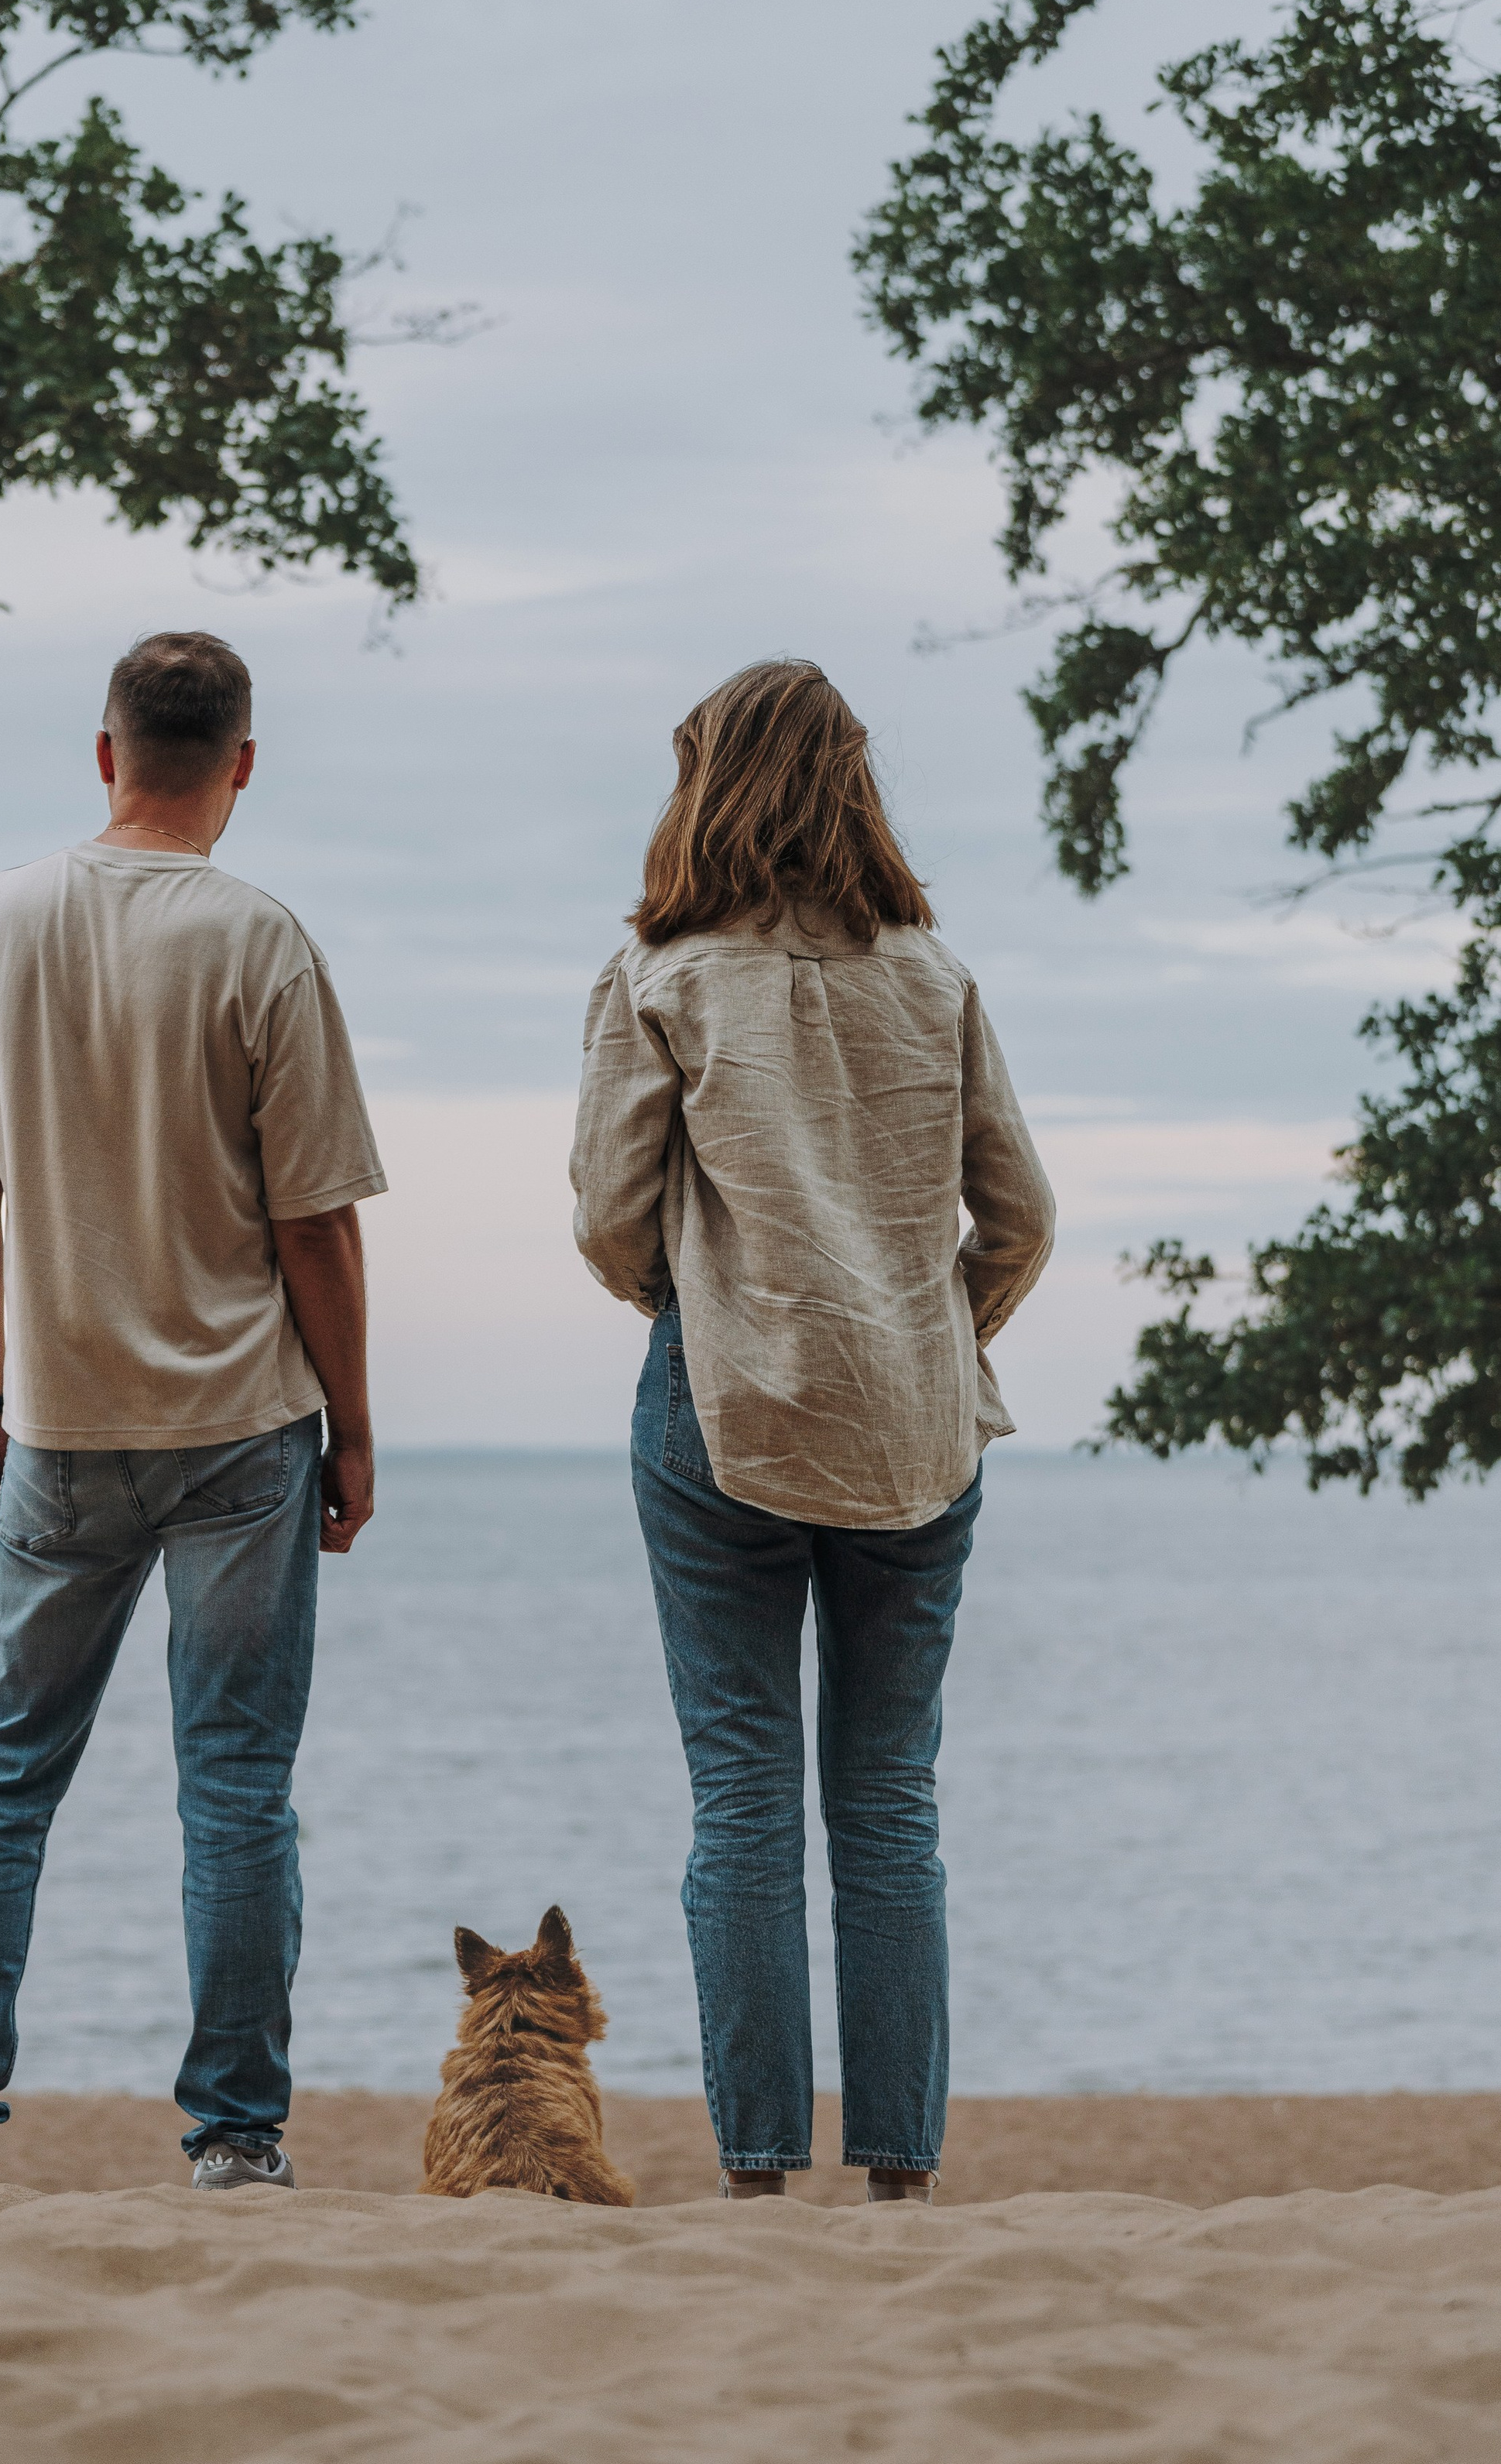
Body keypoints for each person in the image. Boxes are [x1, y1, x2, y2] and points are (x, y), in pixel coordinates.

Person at [0, 630, 386, 2195]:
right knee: (234, 1784)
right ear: (239, 761)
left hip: (57, 1416)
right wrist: (354, 1425)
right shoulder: (262, 941)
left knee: (2, 1774)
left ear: (104, 752)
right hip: (244, 1422)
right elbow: (315, 1224)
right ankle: (235, 2137)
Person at [571, 658, 1054, 2205]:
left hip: (721, 1411)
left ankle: (758, 2171)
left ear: (697, 783)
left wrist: (706, 1307)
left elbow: (605, 1218)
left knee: (742, 1795)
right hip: (912, 1421)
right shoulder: (934, 974)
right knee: (888, 1798)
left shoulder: (660, 974)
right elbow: (1021, 1215)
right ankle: (901, 2172)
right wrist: (928, 1334)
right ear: (855, 782)